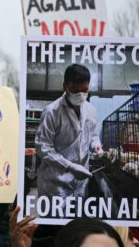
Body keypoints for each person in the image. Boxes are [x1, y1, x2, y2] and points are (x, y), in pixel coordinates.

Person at [35, 64, 103, 200]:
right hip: (55, 185)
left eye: (84, 90)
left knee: (78, 221)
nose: (80, 95)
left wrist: (96, 146)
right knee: (54, 221)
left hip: (81, 184)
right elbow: (43, 147)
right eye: (74, 90)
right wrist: (69, 166)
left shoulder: (91, 110)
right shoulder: (52, 112)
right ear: (64, 86)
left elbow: (93, 136)